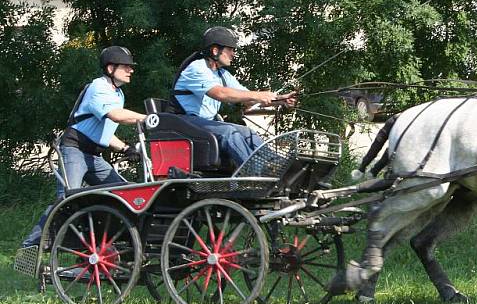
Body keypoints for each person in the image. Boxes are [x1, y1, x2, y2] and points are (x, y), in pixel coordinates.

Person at [21, 46, 147, 248]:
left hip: (94, 156)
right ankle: (31, 244)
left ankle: (99, 243)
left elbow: (103, 132)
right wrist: (148, 118)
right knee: (67, 198)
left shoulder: (118, 94)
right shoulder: (98, 87)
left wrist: (125, 148)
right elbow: (115, 116)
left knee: (122, 195)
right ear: (110, 68)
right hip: (74, 149)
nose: (131, 70)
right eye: (126, 67)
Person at [171, 26, 297, 167]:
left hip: (203, 123)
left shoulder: (222, 74)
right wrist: (259, 95)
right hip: (184, 122)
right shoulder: (197, 68)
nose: (234, 54)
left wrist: (281, 101)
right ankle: (258, 171)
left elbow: (248, 99)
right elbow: (221, 94)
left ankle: (279, 166)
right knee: (228, 132)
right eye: (230, 49)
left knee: (246, 131)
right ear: (215, 50)